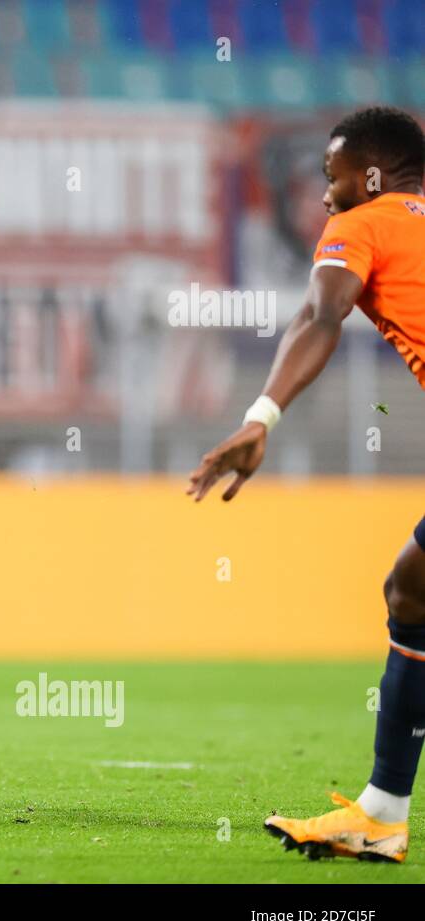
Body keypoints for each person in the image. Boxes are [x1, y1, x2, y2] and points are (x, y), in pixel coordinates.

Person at [188, 106, 425, 863]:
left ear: (375, 176)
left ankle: (383, 814)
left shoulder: (369, 222)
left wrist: (261, 417)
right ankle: (382, 815)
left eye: (334, 177)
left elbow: (320, 316)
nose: (327, 196)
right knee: (413, 591)